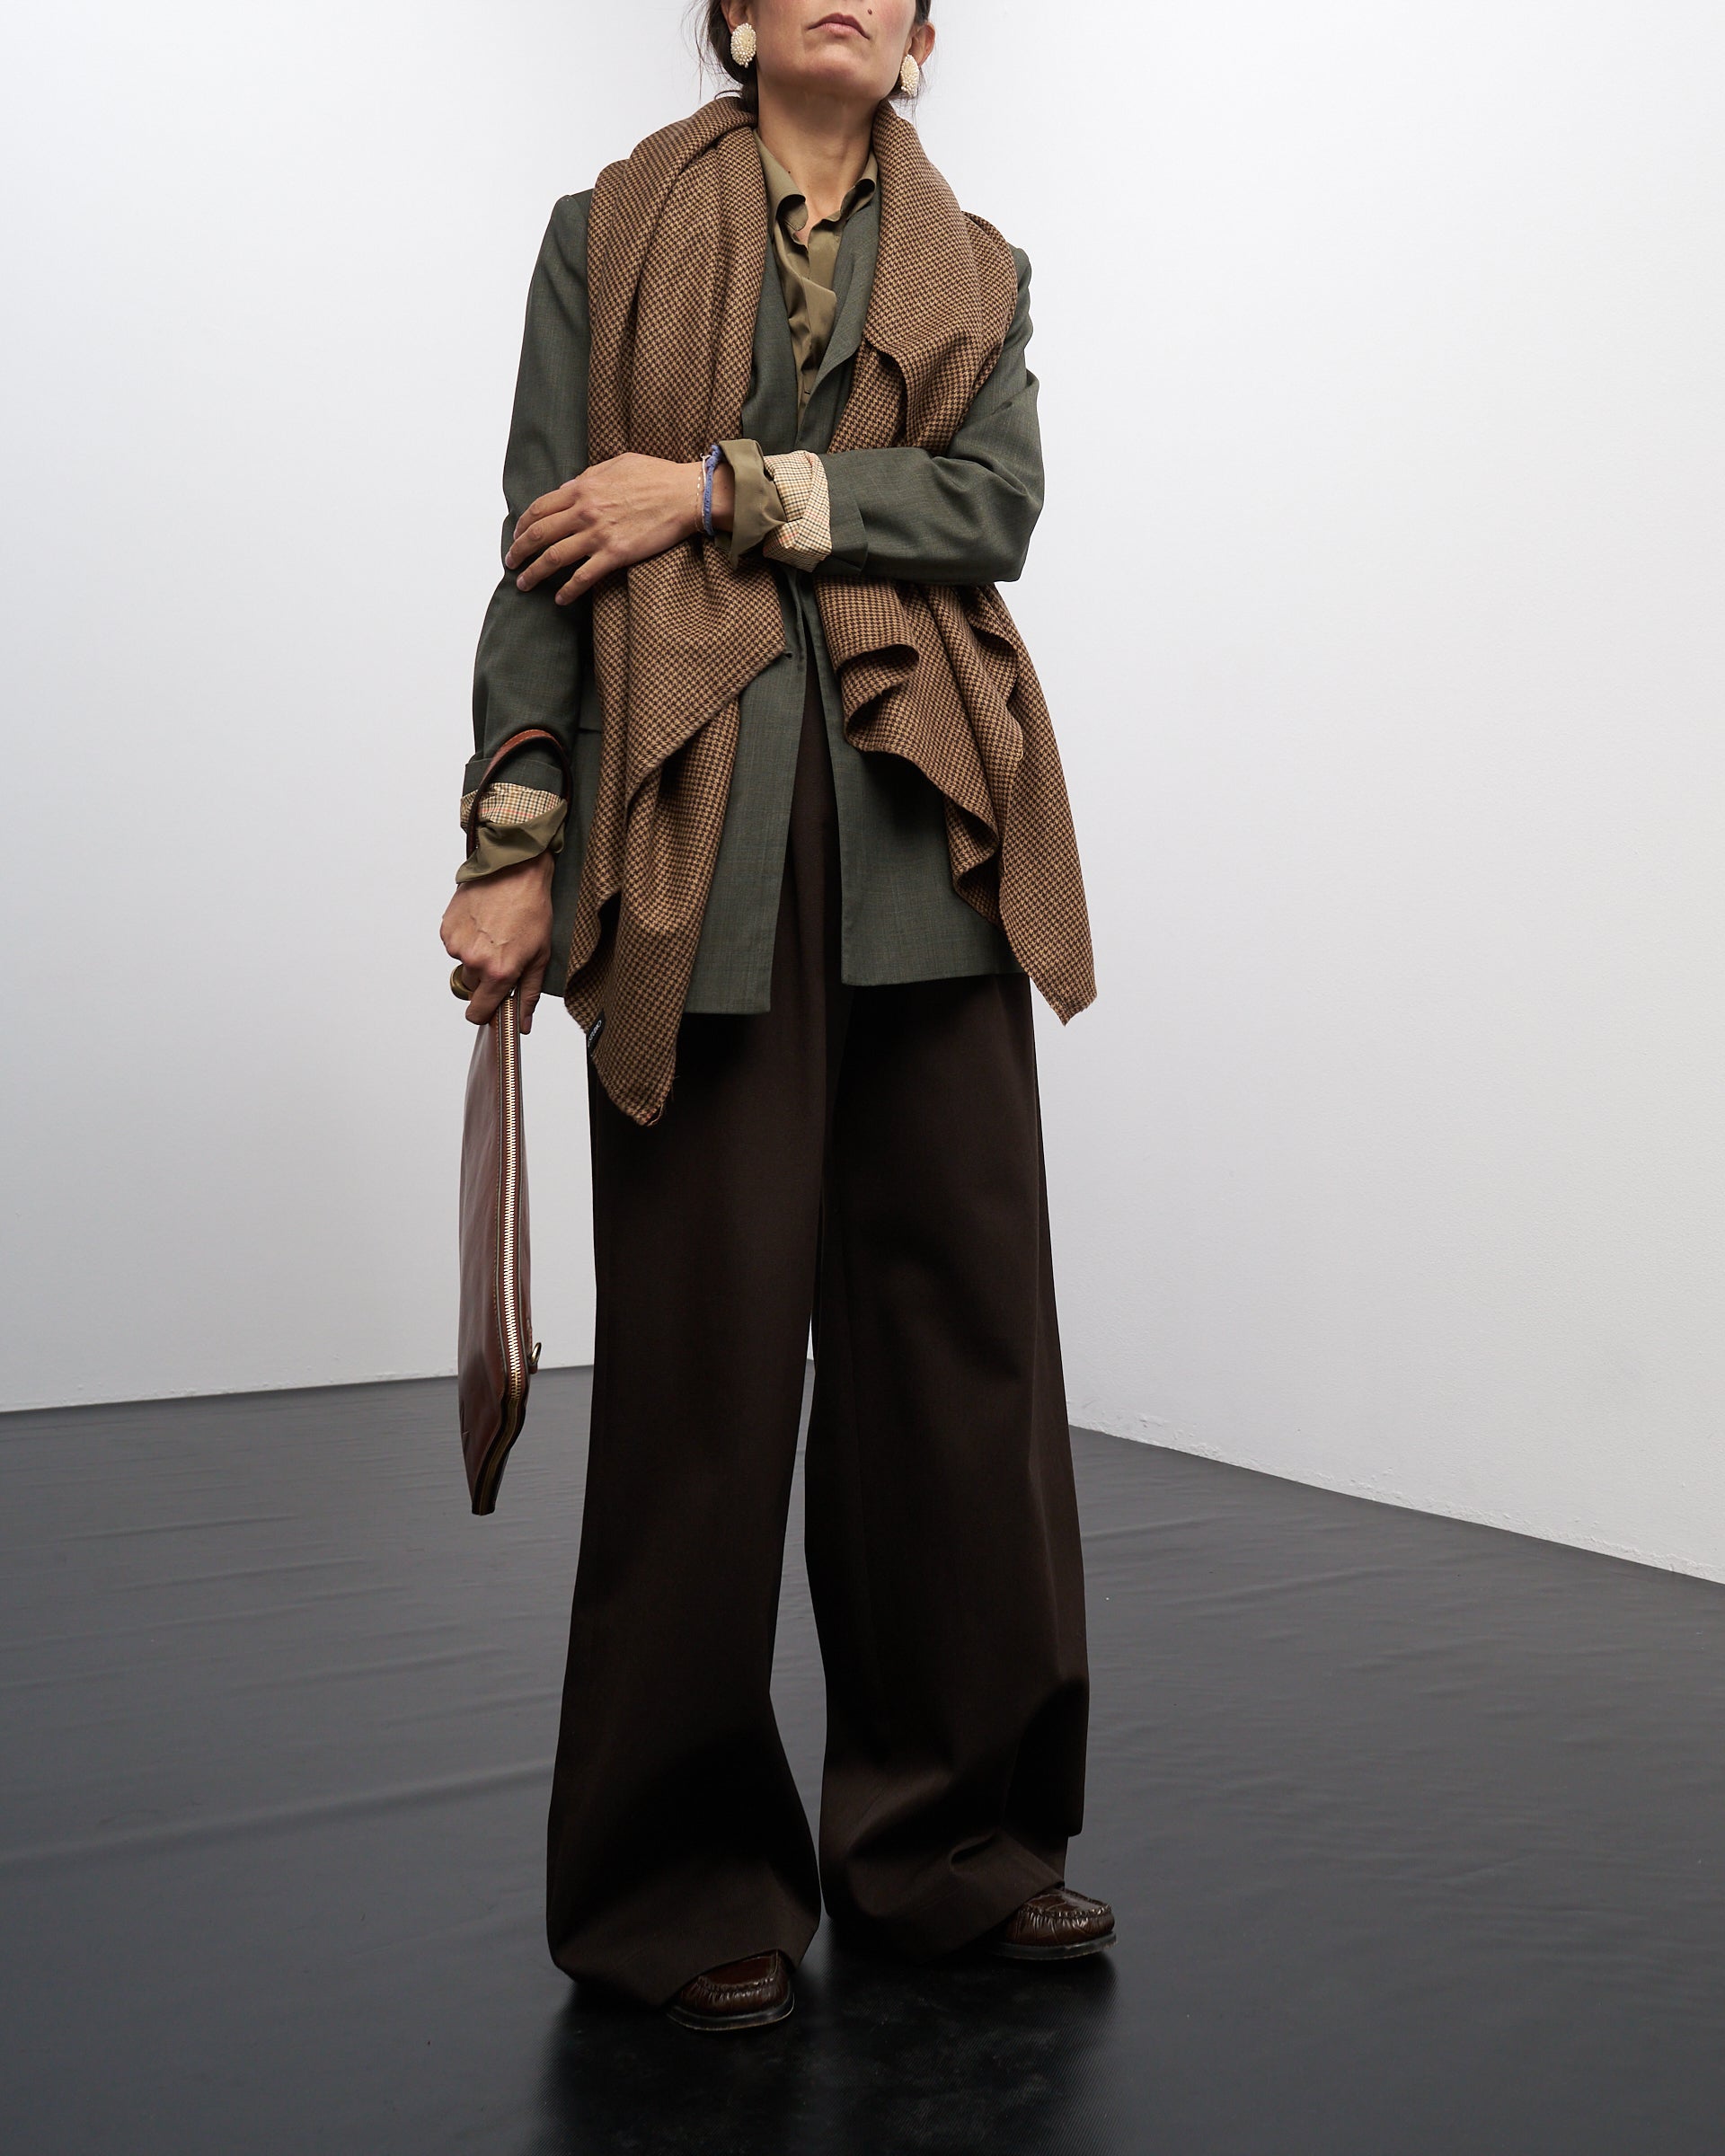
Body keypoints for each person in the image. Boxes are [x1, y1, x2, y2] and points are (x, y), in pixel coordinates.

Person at [440, 0, 1110, 2035]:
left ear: (923, 35)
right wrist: (513, 835)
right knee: (701, 1378)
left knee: (960, 1365)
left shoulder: (978, 267)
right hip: (695, 850)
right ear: (732, 17)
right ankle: (674, 1887)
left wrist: (722, 490)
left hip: (928, 831)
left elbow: (989, 507)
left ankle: (954, 1848)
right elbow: (548, 548)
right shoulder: (608, 228)